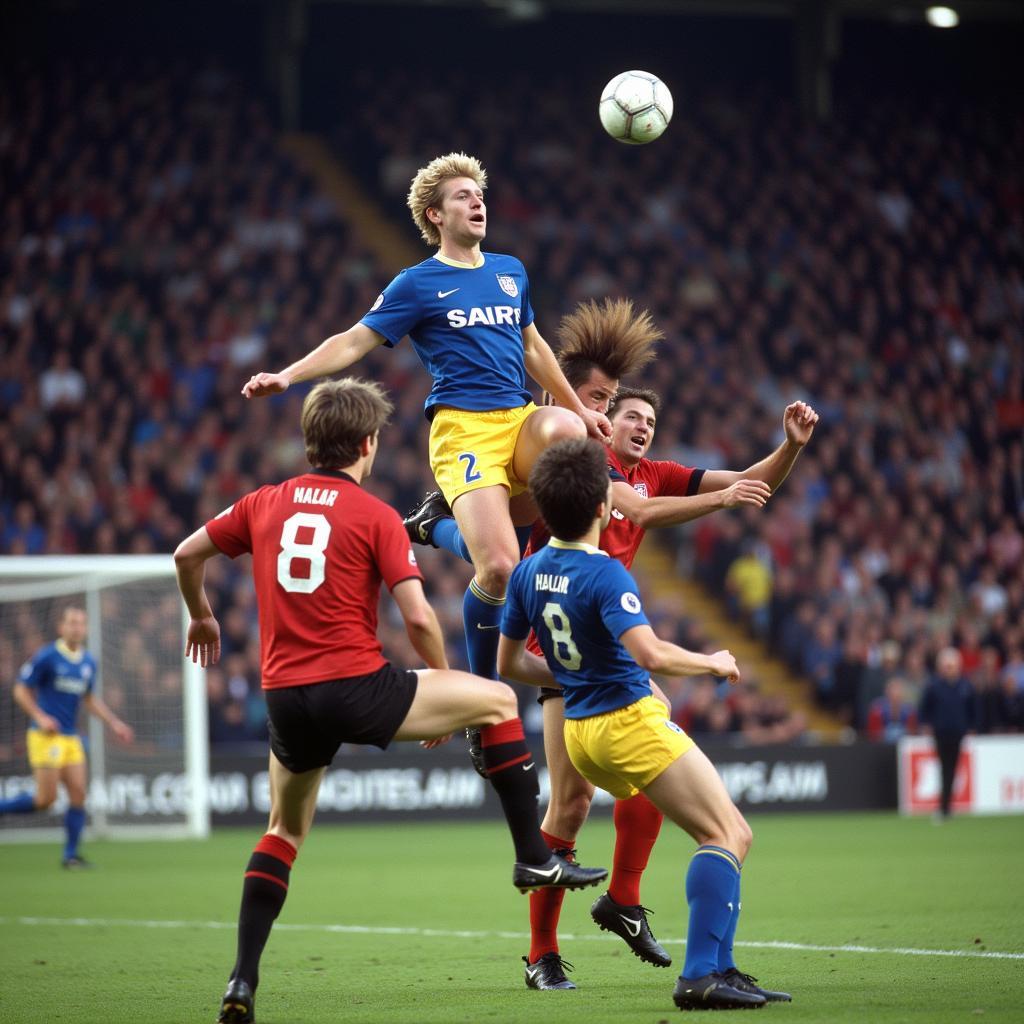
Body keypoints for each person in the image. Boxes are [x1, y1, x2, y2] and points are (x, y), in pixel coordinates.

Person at [408, 300, 817, 987]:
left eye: (616, 405)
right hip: (561, 657)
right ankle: (543, 953)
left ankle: (624, 898)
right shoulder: (562, 468)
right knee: (569, 807)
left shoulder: (647, 469)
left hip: (603, 649)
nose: (605, 414)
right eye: (602, 402)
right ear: (565, 402)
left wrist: (791, 448)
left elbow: (749, 485)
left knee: (651, 769)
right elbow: (638, 510)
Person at [173, 378, 606, 1024]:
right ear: (368, 445)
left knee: (283, 830)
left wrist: (202, 617)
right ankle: (532, 856)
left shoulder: (263, 502)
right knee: (490, 700)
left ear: (311, 441)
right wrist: (439, 685)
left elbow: (186, 553)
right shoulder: (374, 514)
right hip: (356, 688)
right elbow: (420, 620)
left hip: (283, 698)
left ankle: (241, 980)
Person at [241, 153, 610, 691]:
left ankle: (466, 534)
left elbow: (533, 348)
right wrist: (288, 375)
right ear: (436, 216)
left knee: (569, 436)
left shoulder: (511, 272)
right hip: (464, 430)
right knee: (502, 569)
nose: (477, 202)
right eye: (463, 196)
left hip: (520, 418)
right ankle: (481, 675)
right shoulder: (417, 283)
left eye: (479, 194)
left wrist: (580, 409)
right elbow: (353, 340)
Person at [498, 438, 791, 1010]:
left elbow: (509, 663)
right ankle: (703, 974)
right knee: (729, 834)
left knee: (642, 811)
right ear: (605, 508)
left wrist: (570, 676)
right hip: (625, 721)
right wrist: (713, 661)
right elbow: (651, 655)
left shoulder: (526, 571)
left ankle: (690, 946)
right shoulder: (606, 574)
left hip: (579, 730)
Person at [0, 605, 134, 867]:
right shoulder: (47, 656)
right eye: (71, 623)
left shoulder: (88, 662)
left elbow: (89, 698)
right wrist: (40, 717)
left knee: (78, 795)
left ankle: (70, 855)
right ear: (61, 627)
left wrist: (114, 723)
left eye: (81, 623)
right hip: (44, 736)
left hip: (70, 736)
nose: (76, 628)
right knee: (45, 799)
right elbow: (21, 690)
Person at [918, 647, 976, 819]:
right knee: (945, 768)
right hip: (941, 732)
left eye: (951, 665)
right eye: (946, 665)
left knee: (952, 768)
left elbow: (973, 709)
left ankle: (947, 806)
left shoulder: (965, 685)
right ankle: (945, 807)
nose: (949, 669)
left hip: (958, 732)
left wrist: (972, 726)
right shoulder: (934, 686)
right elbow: (924, 709)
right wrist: (926, 724)